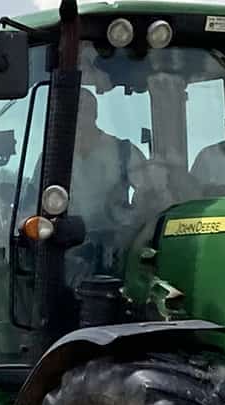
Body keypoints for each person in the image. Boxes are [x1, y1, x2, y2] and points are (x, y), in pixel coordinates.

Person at [66, 88, 146, 288]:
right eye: (74, 109)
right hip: (68, 251)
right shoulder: (52, 158)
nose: (79, 114)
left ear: (95, 113)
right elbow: (34, 200)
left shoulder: (123, 151)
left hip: (117, 251)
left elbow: (149, 192)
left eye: (84, 108)